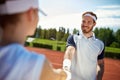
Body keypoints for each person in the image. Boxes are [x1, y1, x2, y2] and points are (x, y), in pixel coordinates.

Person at [0, 0, 66, 80]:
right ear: (30, 14)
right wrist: (61, 74)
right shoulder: (35, 64)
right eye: (38, 13)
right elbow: (55, 75)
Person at [63, 11, 104, 80]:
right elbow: (70, 51)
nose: (85, 24)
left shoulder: (100, 44)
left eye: (89, 22)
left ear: (94, 24)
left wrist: (99, 78)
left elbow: (100, 64)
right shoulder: (73, 37)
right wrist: (66, 68)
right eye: (83, 21)